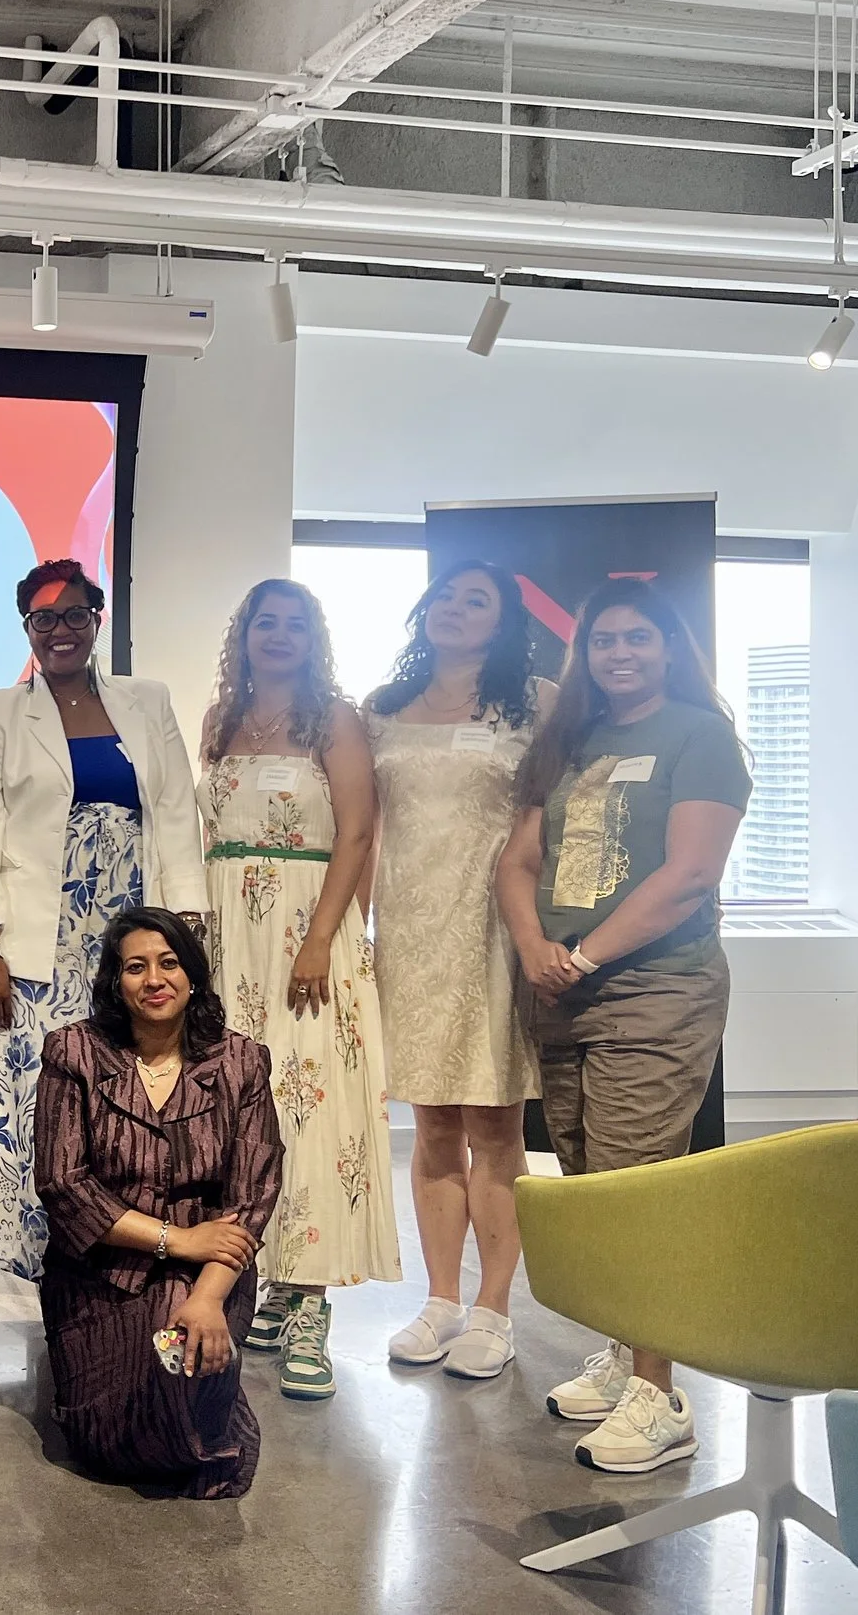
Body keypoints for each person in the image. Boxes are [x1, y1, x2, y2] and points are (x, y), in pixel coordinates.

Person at [498, 578, 749, 1475]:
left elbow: (690, 875)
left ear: (670, 647)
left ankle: (661, 1396)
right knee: (589, 1180)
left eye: (638, 637)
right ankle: (621, 1348)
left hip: (655, 987)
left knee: (635, 1187)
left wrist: (582, 955)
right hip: (562, 989)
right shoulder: (570, 740)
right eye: (603, 640)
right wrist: (535, 949)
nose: (620, 653)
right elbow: (518, 861)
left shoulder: (700, 736)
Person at [0, 558, 206, 1283]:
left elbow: (175, 816)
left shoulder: (147, 701)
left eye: (73, 615)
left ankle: (123, 1252)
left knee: (126, 1091)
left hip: (130, 936)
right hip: (35, 945)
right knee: (39, 1097)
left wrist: (185, 934)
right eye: (43, 618)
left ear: (98, 620)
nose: (58, 630)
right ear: (27, 628)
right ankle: (42, 1260)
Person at [199, 577, 399, 1402]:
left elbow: (357, 833)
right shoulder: (220, 721)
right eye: (264, 622)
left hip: (303, 935)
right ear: (243, 635)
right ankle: (274, 1279)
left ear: (313, 639)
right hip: (229, 941)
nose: (277, 635)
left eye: (293, 624)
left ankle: (312, 1300)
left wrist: (320, 938)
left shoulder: (334, 720)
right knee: (245, 1110)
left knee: (308, 1106)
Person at [362, 561, 553, 1381]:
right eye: (445, 593)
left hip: (492, 929)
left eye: (478, 599)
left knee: (495, 1126)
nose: (455, 607)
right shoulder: (382, 707)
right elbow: (364, 829)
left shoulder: (537, 702)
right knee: (433, 1125)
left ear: (505, 621)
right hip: (409, 934)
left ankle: (494, 1308)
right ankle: (440, 1298)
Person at [35, 908, 284, 1499]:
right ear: (115, 982)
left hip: (210, 1269)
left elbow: (252, 1196)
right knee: (102, 1443)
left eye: (169, 963)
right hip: (101, 1267)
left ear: (191, 975)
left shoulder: (241, 1061)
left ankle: (209, 1407)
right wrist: (177, 1239)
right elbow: (63, 1184)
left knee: (180, 1365)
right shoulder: (74, 1052)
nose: (154, 980)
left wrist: (208, 1297)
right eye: (135, 967)